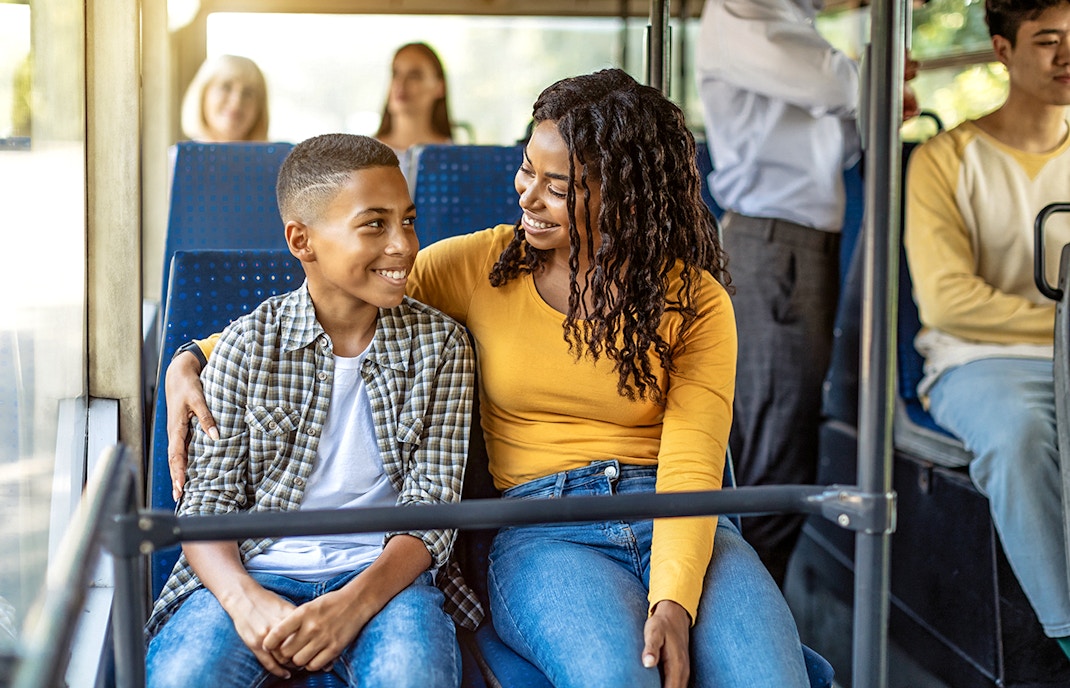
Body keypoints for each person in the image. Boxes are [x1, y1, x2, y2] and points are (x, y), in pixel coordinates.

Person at [166, 69, 812, 687]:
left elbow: (693, 466)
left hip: (675, 512)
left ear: (625, 196)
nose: (527, 194)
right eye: (528, 169)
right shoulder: (480, 266)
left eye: (558, 186)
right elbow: (337, 303)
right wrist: (194, 355)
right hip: (544, 524)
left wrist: (674, 599)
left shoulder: (694, 299)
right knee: (620, 677)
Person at [146, 133, 480, 688]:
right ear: (303, 240)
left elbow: (432, 510)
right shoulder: (247, 346)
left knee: (413, 675)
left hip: (384, 581)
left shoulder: (442, 346)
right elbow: (208, 505)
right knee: (186, 677)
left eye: (409, 220)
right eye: (374, 224)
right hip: (256, 567)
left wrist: (351, 605)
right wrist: (245, 601)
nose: (403, 245)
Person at [904, 0, 1070, 662]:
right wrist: (1062, 329)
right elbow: (948, 302)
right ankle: (1064, 631)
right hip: (979, 361)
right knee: (1019, 437)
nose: (1066, 57)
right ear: (1002, 50)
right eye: (1047, 41)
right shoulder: (945, 161)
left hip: (1064, 355)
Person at [693, 0, 863, 587]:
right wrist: (874, 77)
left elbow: (830, 147)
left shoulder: (797, 22)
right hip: (774, 248)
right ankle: (749, 641)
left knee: (784, 445)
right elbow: (825, 81)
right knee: (771, 458)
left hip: (797, 246)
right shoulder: (741, 10)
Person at [374, 42, 453, 153]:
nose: (401, 83)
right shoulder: (362, 157)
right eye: (395, 73)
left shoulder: (457, 159)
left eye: (414, 76)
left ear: (440, 87)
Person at [180, 54, 270, 143]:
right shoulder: (182, 156)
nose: (236, 101)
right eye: (226, 87)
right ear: (203, 94)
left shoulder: (279, 156)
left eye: (248, 93)